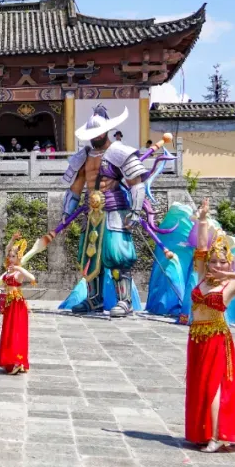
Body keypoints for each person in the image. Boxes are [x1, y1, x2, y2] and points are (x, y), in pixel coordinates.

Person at [51, 105, 148, 318]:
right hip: (91, 213)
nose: (95, 137)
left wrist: (135, 211)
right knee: (90, 257)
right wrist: (67, 212)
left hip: (114, 210)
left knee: (117, 256)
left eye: (98, 133)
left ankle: (125, 301)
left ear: (106, 131)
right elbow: (75, 188)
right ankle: (94, 299)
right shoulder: (83, 156)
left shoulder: (120, 152)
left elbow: (136, 184)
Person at [187, 200, 235, 452]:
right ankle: (204, 431)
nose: (217, 265)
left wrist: (231, 275)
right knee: (199, 385)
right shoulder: (203, 278)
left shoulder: (229, 285)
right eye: (214, 261)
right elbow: (200, 247)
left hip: (216, 338)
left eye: (222, 261)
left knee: (214, 386)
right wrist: (202, 219)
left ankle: (216, 436)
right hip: (196, 337)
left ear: (229, 263)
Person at [0, 232, 37, 374]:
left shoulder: (18, 272)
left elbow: (32, 278)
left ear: (18, 258)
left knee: (16, 331)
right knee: (9, 332)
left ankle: (18, 361)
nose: (10, 259)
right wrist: (12, 239)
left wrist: (19, 268)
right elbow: (7, 249)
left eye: (13, 257)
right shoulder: (9, 269)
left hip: (17, 304)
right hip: (9, 304)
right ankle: (12, 361)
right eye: (10, 256)